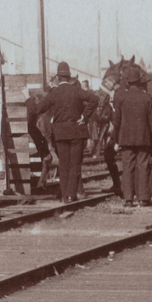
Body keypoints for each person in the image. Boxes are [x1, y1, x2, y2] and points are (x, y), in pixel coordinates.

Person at [38, 62, 94, 202]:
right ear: (69, 77)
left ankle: (65, 196)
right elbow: (95, 99)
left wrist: (28, 99)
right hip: (76, 132)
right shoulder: (76, 90)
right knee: (75, 164)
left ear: (58, 77)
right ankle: (71, 194)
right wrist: (85, 117)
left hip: (61, 134)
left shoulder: (54, 93)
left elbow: (39, 109)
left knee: (64, 164)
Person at [110, 62, 152, 209]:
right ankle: (143, 199)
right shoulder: (148, 98)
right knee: (143, 166)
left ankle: (128, 199)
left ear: (127, 81)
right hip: (144, 139)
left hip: (125, 139)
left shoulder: (121, 98)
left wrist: (115, 139)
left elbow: (116, 121)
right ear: (139, 81)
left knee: (127, 168)